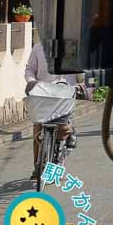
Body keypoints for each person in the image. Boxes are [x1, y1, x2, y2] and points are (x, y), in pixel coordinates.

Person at [25, 41, 75, 180]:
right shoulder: (38, 47)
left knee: (64, 131)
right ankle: (38, 167)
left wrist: (84, 86)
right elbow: (30, 69)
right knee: (38, 130)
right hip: (42, 94)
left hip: (64, 94)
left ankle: (58, 167)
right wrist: (31, 81)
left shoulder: (72, 46)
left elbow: (79, 71)